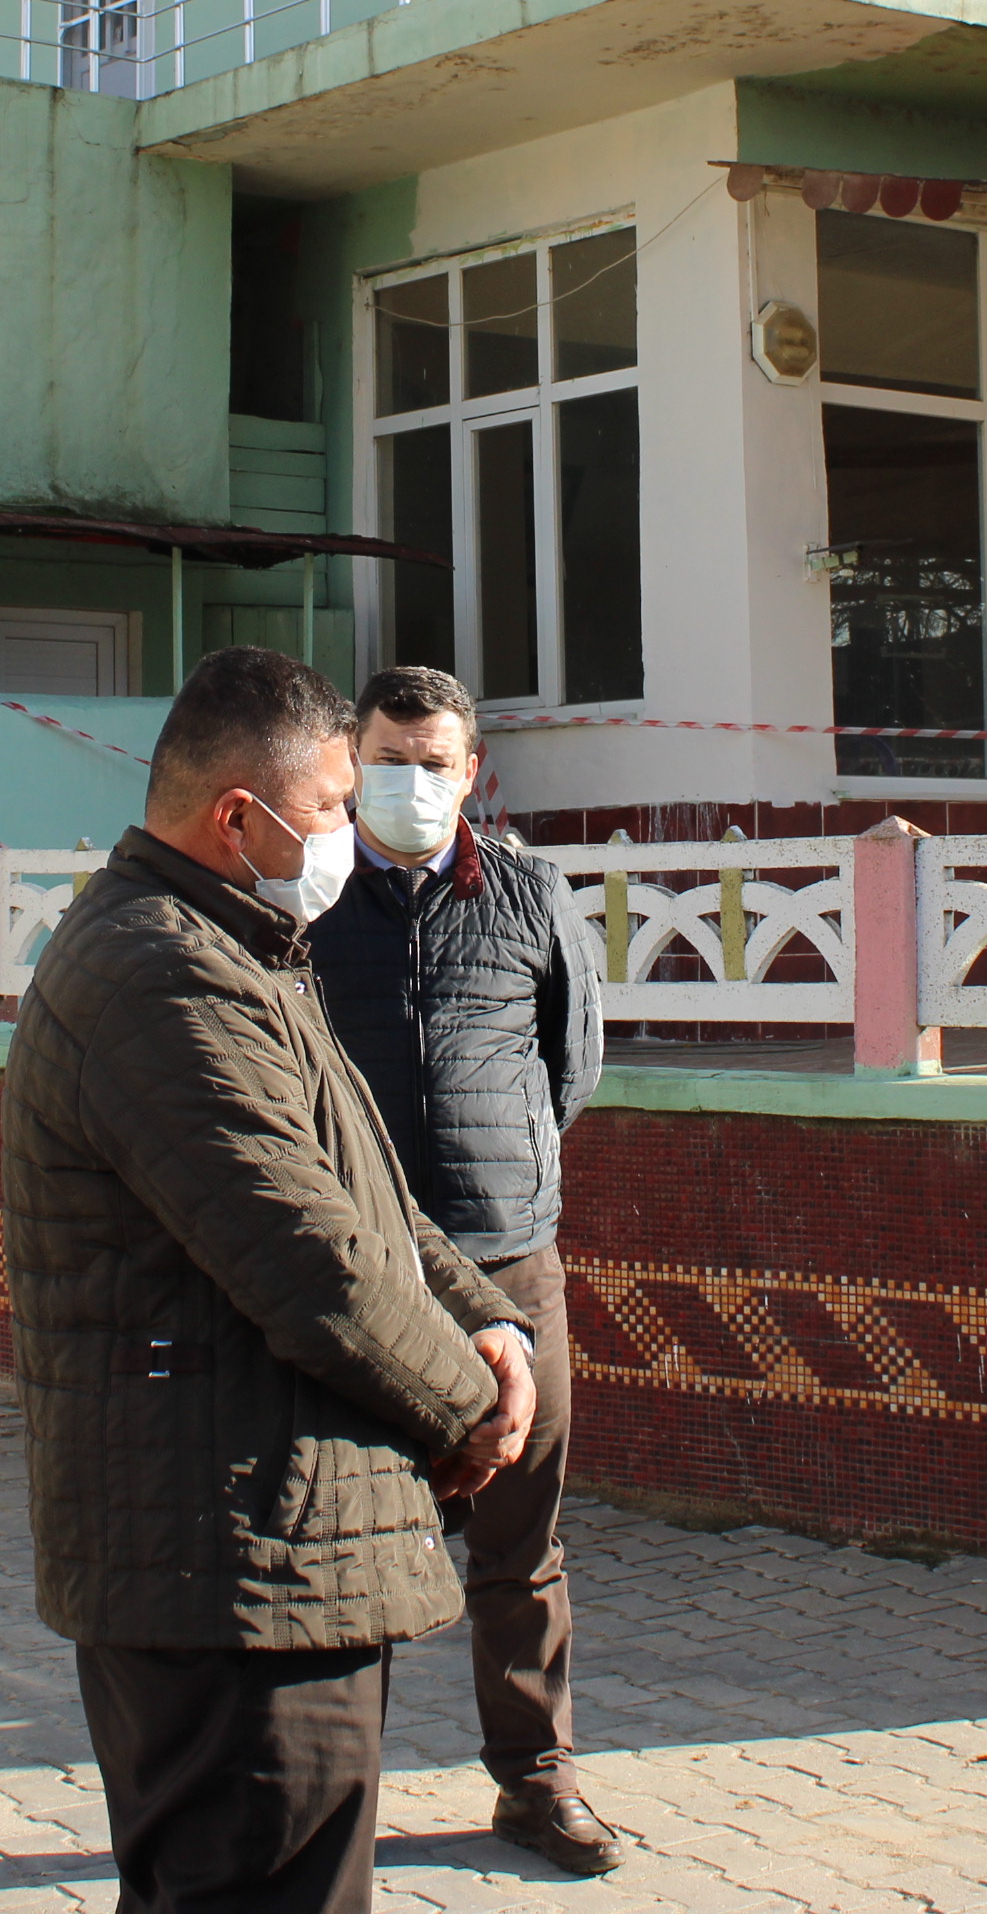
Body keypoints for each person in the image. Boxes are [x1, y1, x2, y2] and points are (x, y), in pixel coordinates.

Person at [4, 646, 540, 1914]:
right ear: (235, 819)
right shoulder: (158, 971)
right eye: (329, 809)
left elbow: (380, 1200)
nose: (351, 833)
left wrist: (488, 1320)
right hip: (227, 1563)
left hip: (267, 1543)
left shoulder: (246, 945)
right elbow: (310, 1258)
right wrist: (463, 1408)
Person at [301, 664, 622, 1877]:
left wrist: (510, 1178)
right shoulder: (311, 896)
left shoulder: (534, 895)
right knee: (343, 1544)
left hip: (511, 1261)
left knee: (520, 1545)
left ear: (472, 771)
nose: (414, 783)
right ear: (351, 759)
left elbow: (569, 1067)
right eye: (390, 760)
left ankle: (537, 1782)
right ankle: (333, 1806)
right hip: (360, 1275)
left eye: (436, 763)